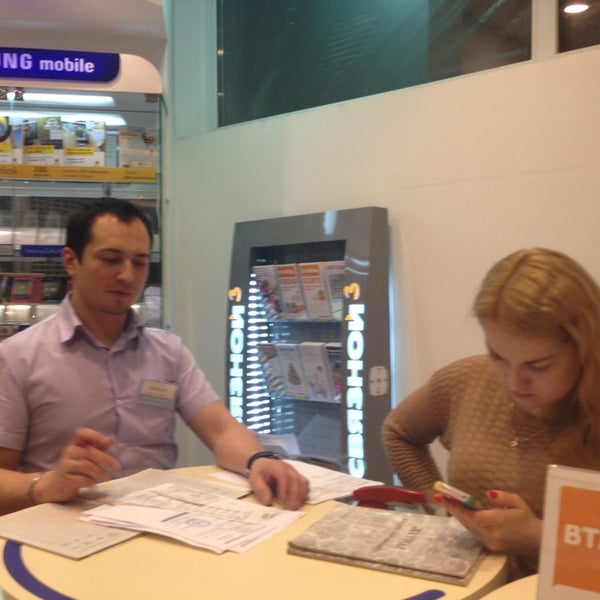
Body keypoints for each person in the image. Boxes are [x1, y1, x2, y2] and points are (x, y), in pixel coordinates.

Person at [0, 198, 309, 515]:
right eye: (111, 259)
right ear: (70, 261)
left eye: (139, 262)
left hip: (156, 525)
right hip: (60, 531)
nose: (127, 275)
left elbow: (221, 430)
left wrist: (259, 460)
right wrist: (46, 485)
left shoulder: (167, 352)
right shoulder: (18, 357)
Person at [382, 247, 600, 581]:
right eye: (498, 356)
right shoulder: (467, 379)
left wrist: (541, 538)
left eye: (539, 366)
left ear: (586, 347)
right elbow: (399, 432)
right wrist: (440, 505)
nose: (514, 382)